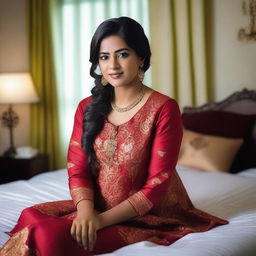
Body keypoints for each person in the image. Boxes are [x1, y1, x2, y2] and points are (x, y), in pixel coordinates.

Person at [0, 17, 228, 256]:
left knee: (49, 236)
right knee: (31, 217)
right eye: (104, 57)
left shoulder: (163, 108)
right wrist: (86, 213)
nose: (113, 66)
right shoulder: (88, 107)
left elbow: (156, 186)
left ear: (141, 57)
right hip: (96, 207)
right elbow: (77, 168)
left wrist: (100, 222)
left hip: (146, 214)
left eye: (123, 54)